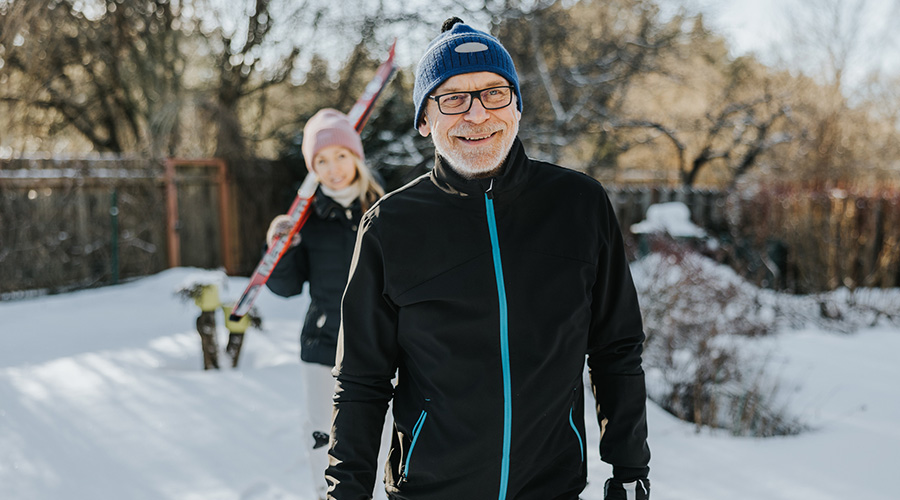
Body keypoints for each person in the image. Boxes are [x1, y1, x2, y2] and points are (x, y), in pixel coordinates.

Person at [326, 17, 651, 500]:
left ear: (516, 106)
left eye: (494, 93)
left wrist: (629, 467)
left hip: (551, 487)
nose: (476, 115)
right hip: (429, 491)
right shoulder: (390, 227)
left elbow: (615, 348)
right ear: (424, 120)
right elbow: (361, 380)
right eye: (452, 99)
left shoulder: (579, 205)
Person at [264, 108, 384, 500]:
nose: (333, 169)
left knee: (380, 432)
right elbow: (285, 289)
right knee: (323, 431)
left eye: (340, 157)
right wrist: (281, 249)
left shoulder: (387, 208)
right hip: (323, 344)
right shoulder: (307, 219)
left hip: (381, 344)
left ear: (356, 157)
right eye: (321, 161)